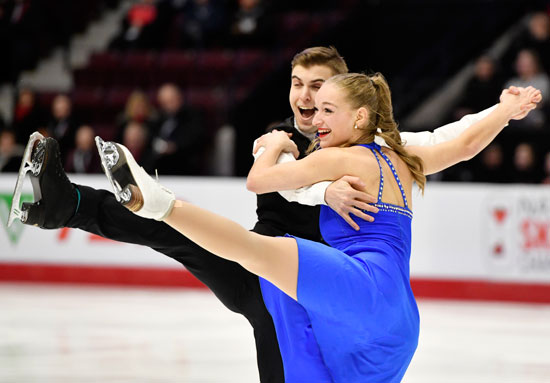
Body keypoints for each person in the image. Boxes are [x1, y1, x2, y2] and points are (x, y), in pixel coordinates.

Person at [11, 46, 514, 383]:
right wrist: (324, 191)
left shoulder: (380, 148)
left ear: (349, 97)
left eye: (319, 87)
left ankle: (65, 203)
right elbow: (285, 185)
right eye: (298, 83)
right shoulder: (282, 140)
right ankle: (64, 201)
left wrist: (502, 109)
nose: (305, 97)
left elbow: (453, 139)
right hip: (272, 280)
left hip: (321, 295)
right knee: (173, 231)